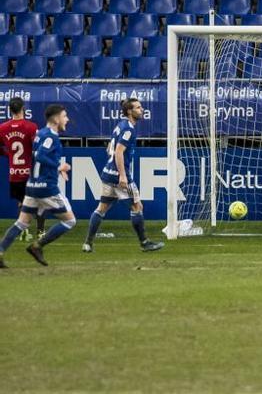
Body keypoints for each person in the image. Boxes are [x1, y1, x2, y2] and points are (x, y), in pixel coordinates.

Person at [83, 98, 164, 253]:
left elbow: (110, 148)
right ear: (129, 111)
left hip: (107, 173)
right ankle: (145, 242)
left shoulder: (121, 125)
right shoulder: (129, 129)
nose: (142, 109)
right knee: (137, 206)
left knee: (101, 208)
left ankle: (88, 243)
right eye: (138, 107)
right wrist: (123, 176)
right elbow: (119, 151)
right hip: (119, 176)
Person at [0, 105, 76, 268]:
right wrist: (59, 167)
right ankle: (37, 246)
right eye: (64, 116)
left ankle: (0, 251)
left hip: (32, 186)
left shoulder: (39, 134)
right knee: (70, 221)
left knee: (22, 223)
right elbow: (41, 155)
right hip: (46, 188)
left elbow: (36, 155)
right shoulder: (50, 137)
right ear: (56, 119)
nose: (67, 119)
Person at [0, 97, 42, 242]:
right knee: (39, 201)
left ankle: (24, 231)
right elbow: (37, 148)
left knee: (21, 202)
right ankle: (41, 232)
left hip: (14, 173)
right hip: (30, 171)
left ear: (9, 110)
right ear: (23, 108)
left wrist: (8, 154)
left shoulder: (3, 128)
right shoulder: (31, 127)